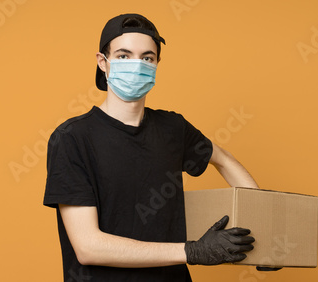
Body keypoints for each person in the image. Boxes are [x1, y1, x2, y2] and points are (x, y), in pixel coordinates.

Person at [43, 13, 260, 281]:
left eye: (147, 58)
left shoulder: (173, 128)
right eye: (123, 56)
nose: (136, 65)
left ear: (157, 64)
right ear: (103, 62)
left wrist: (264, 234)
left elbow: (224, 160)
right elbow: (89, 247)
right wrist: (192, 251)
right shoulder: (72, 138)